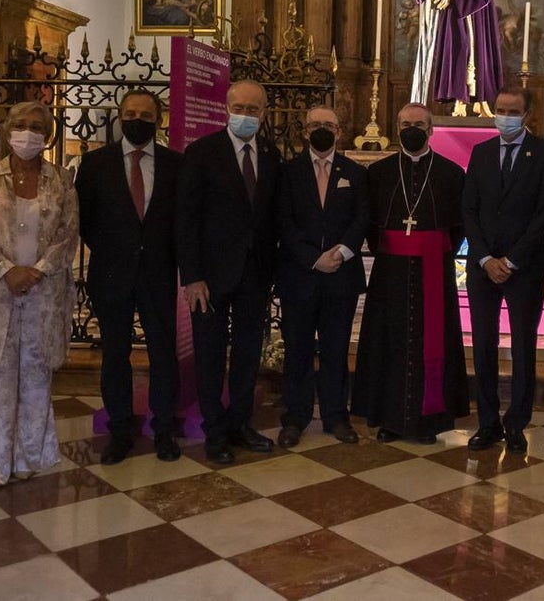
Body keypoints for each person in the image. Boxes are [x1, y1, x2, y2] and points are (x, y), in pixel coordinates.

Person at [0, 101, 78, 490]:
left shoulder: (61, 180)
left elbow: (68, 233)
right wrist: (6, 271)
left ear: (47, 137)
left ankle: (31, 456)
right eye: (21, 125)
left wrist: (38, 270)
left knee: (35, 375)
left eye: (36, 127)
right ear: (7, 130)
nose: (27, 133)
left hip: (44, 292)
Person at [351, 103, 470, 443]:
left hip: (435, 268)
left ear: (431, 129)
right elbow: (369, 222)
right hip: (390, 270)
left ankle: (429, 421)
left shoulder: (451, 173)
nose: (412, 129)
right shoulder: (379, 172)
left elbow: (459, 226)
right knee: (389, 340)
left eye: (419, 123)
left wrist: (429, 246)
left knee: (433, 340)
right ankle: (391, 419)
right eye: (406, 123)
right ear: (397, 126)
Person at [75, 90, 182, 464]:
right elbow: (84, 221)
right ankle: (120, 430)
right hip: (111, 271)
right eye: (130, 113)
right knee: (115, 353)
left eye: (146, 114)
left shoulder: (174, 165)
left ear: (159, 120)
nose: (137, 119)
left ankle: (164, 429)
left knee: (163, 353)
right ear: (120, 116)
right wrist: (117, 249)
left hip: (159, 273)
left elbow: (180, 223)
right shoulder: (94, 164)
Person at [178, 80, 281, 464]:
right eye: (239, 107)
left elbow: (271, 217)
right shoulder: (202, 152)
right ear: (226, 108)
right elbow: (185, 219)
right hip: (209, 277)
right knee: (209, 353)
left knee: (247, 353)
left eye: (253, 109)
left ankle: (239, 422)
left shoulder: (270, 154)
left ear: (264, 113)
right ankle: (214, 430)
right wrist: (192, 276)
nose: (245, 115)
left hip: (255, 274)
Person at [462, 86, 544, 453]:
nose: (505, 116)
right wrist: (486, 258)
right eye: (500, 110)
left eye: (512, 110)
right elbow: (469, 208)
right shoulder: (481, 152)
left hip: (525, 267)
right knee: (483, 345)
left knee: (523, 345)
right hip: (483, 266)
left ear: (527, 114)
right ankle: (487, 422)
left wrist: (513, 260)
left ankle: (517, 421)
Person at [274, 106, 369, 447]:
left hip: (341, 275)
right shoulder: (287, 173)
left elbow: (362, 218)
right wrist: (314, 259)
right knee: (297, 349)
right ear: (304, 130)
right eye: (316, 125)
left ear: (339, 131)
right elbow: (283, 221)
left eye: (329, 125)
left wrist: (341, 253)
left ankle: (335, 417)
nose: (322, 130)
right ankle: (295, 418)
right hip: (299, 275)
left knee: (336, 349)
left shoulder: (356, 173)